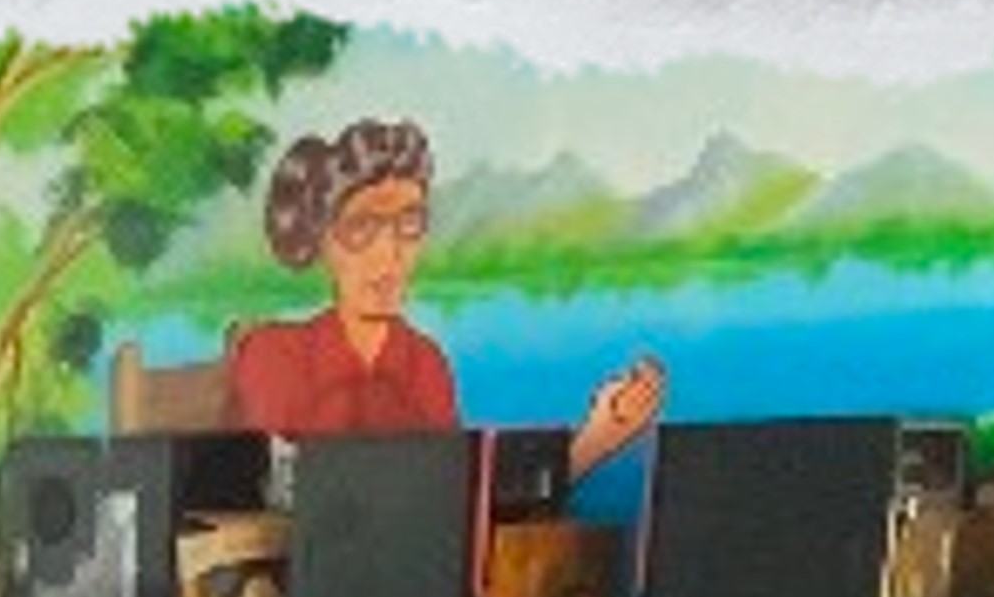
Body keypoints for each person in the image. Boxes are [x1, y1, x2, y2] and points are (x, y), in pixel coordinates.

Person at [224, 116, 665, 474]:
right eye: (362, 227)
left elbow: (457, 505)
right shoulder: (273, 354)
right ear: (322, 238)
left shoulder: (426, 363)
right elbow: (283, 505)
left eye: (409, 223)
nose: (390, 253)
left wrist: (595, 439)